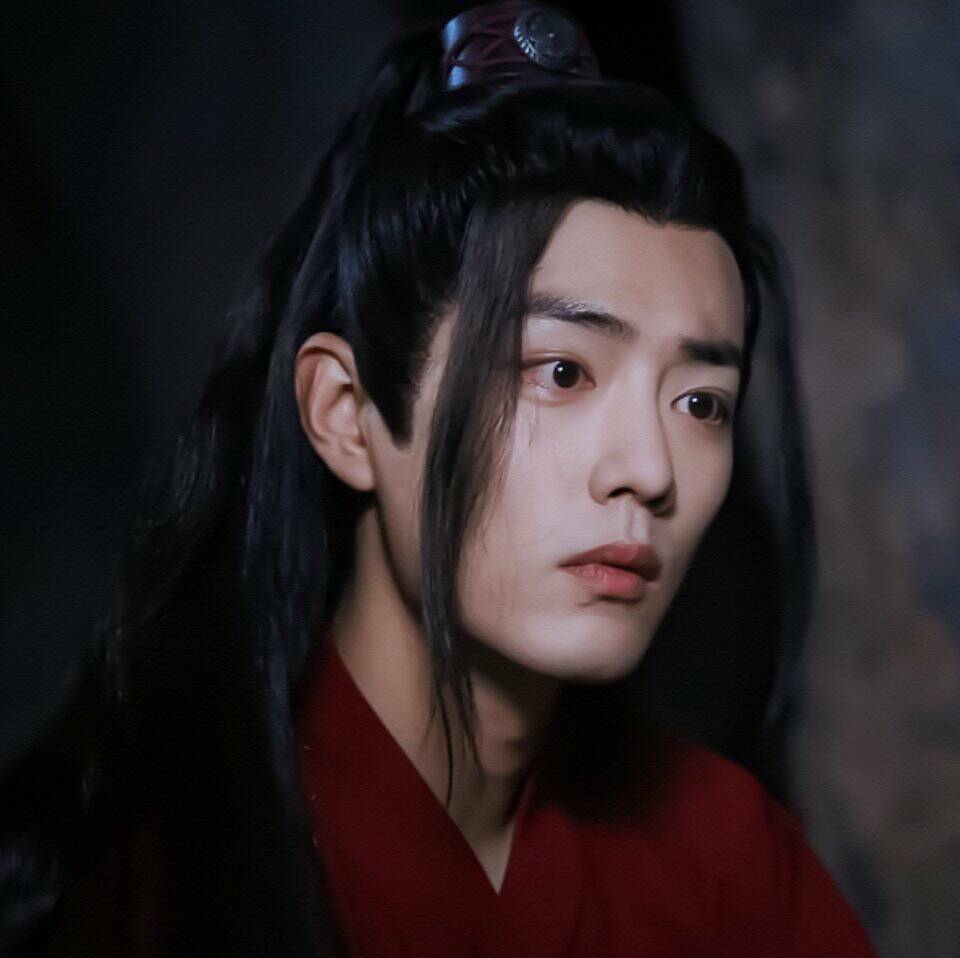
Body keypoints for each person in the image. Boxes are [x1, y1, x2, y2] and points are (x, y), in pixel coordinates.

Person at [1, 2, 877, 955]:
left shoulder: (729, 858)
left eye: (701, 402)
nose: (649, 470)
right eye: (562, 372)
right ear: (347, 413)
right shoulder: (160, 885)